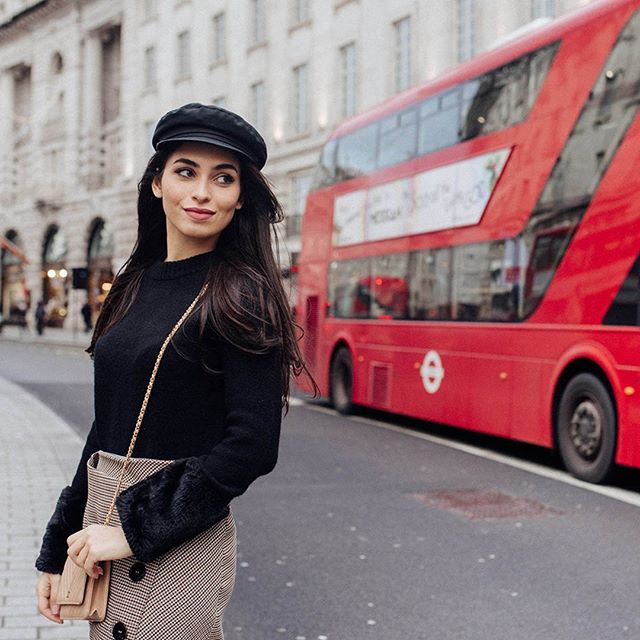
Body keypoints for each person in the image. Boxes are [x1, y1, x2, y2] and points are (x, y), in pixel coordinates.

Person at [35, 103, 315, 638]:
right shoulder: (133, 286)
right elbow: (106, 426)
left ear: (240, 199)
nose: (203, 192)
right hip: (105, 532)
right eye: (186, 171)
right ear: (158, 182)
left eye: (223, 178)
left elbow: (252, 444)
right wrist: (57, 546)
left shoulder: (240, 293)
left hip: (177, 545)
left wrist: (134, 529)